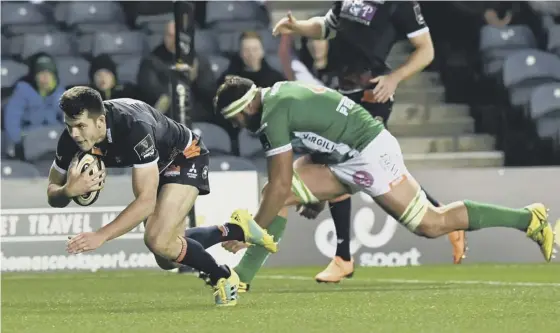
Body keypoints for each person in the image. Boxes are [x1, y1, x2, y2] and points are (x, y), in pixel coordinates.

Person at [211, 77, 555, 289]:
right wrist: (312, 191)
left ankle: (530, 219)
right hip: (344, 154)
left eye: (236, 118)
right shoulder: (276, 95)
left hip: (369, 154)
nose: (240, 125)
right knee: (278, 194)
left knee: (430, 224)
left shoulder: (273, 115)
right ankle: (243, 279)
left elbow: (281, 184)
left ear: (244, 108)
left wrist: (250, 232)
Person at [222, 1, 466, 290]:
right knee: (341, 162)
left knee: (356, 162)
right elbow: (327, 26)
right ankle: (352, 250)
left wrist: (394, 78)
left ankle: (357, 249)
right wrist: (300, 27)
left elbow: (426, 49)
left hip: (373, 89)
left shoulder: (399, 4)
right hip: (343, 89)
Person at [46, 86, 277, 306]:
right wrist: (67, 191)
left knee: (157, 239)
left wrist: (101, 235)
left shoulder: (133, 127)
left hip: (185, 156)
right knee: (166, 257)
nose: (74, 134)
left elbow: (146, 202)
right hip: (156, 167)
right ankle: (236, 229)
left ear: (100, 121)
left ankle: (223, 276)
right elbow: (51, 191)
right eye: (69, 126)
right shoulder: (70, 140)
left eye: (79, 126)